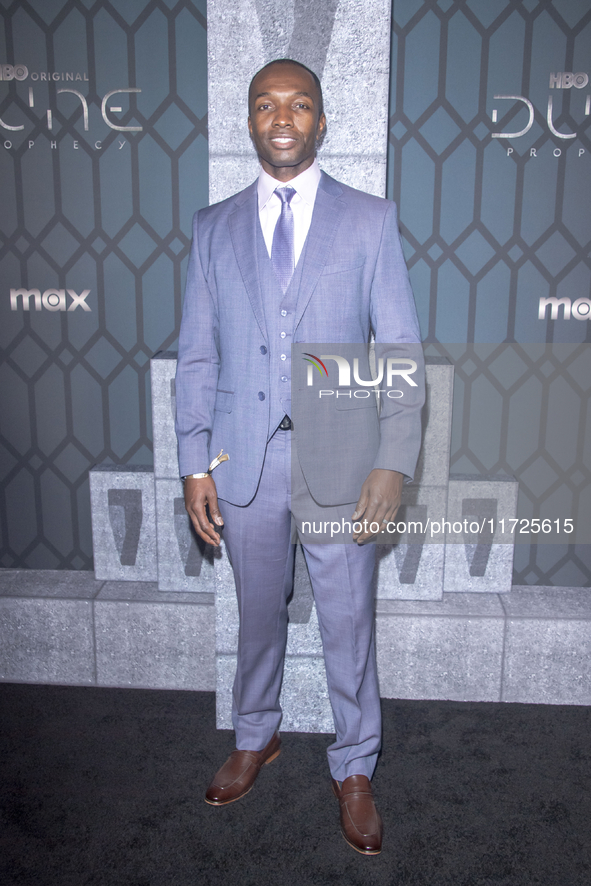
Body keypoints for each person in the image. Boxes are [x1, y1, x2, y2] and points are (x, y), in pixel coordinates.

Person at [175, 58, 425, 856]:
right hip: (241, 465)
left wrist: (393, 459)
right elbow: (198, 359)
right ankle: (256, 736)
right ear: (248, 121)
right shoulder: (212, 227)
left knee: (350, 625)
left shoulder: (369, 219)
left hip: (344, 466)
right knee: (256, 617)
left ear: (321, 121)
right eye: (264, 104)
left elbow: (399, 348)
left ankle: (354, 765)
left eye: (299, 104)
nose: (281, 117)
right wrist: (192, 464)